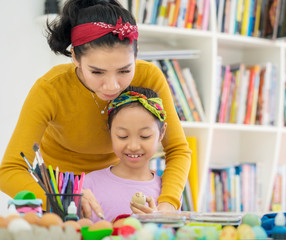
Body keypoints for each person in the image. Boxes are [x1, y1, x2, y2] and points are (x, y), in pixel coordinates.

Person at [0, 0, 191, 220]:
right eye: (97, 72)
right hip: (61, 197)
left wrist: (167, 204)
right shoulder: (50, 88)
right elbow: (9, 171)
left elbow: (178, 149)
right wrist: (65, 198)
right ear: (75, 58)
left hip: (115, 187)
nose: (112, 86)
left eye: (124, 70)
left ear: (136, 56)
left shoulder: (149, 77)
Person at [83, 86, 168, 222]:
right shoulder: (88, 184)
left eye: (145, 136)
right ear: (110, 131)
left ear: (161, 133)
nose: (133, 146)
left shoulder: (167, 190)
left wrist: (156, 223)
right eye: (122, 136)